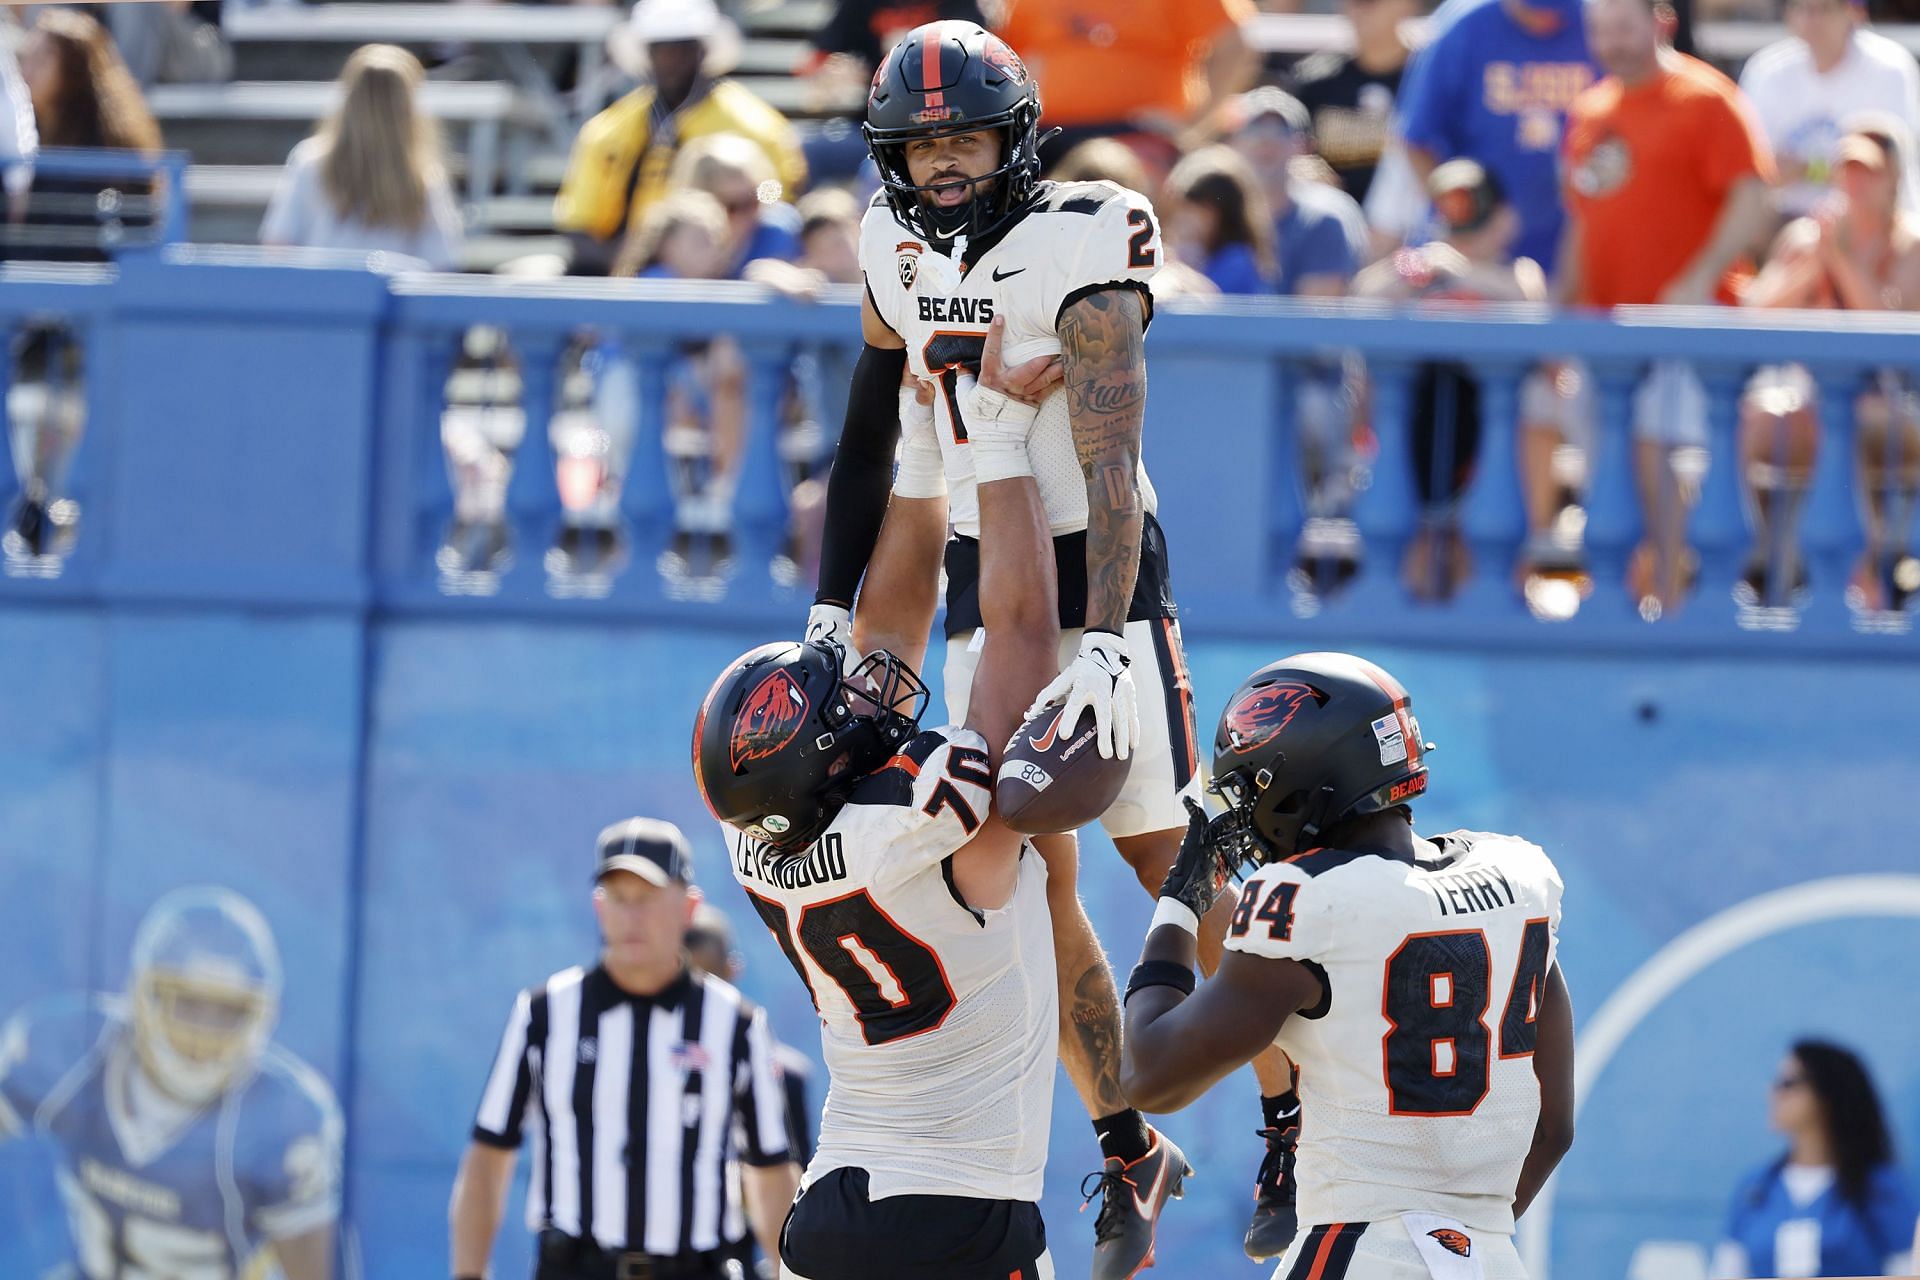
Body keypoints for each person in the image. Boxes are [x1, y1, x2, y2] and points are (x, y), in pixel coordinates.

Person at [799, 20, 1303, 1268]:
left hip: (1101, 566)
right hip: (991, 572)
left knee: (1165, 860)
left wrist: (1120, 639)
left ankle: (1292, 1111)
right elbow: (871, 445)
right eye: (923, 148)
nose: (947, 166)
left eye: (967, 136)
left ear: (1016, 136)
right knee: (1028, 871)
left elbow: (1111, 455)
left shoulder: (1087, 231)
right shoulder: (891, 244)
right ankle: (1131, 1146)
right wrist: (828, 621)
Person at [693, 300, 1066, 1277]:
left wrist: (928, 453)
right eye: (844, 705)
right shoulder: (917, 820)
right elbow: (1018, 642)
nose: (860, 693)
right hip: (956, 1213)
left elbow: (888, 635)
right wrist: (995, 441)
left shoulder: (757, 832)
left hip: (839, 1203)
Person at [1119, 651, 1577, 1280]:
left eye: (1251, 786)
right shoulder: (1520, 877)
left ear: (1302, 779)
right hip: (1490, 1258)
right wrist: (1460, 1242)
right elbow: (1554, 1127)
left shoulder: (1309, 898)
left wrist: (1180, 900)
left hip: (1355, 1250)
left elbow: (1149, 1072)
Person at [451, 818, 800, 1280]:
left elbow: (770, 1170)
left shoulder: (737, 1024)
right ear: (598, 907)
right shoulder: (543, 1014)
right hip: (576, 1268)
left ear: (689, 907)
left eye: (649, 898)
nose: (632, 916)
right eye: (619, 898)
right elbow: (489, 1156)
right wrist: (468, 1274)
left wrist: (786, 1271)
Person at [0, 887, 342, 1280]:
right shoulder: (71, 1054)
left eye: (227, 1013)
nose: (205, 1033)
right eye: (188, 1004)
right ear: (144, 995)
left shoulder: (281, 1118)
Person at [1560, 0, 1775, 615]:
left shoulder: (1706, 98)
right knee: (1614, 468)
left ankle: (1673, 604)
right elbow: (1584, 218)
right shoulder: (1590, 108)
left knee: (1660, 459)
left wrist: (1699, 277)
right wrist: (1560, 308)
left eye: (1624, 28)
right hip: (1605, 331)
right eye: (1600, 30)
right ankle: (1636, 600)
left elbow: (1752, 198)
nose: (1612, 43)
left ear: (1661, 21)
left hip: (1683, 328)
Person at [1353, 159, 1579, 604]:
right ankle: (1409, 598)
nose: (1462, 236)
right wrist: (1418, 270)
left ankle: (1513, 580)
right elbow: (1362, 296)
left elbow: (1531, 311)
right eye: (1453, 223)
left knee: (1535, 407)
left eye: (1473, 221)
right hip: (1423, 425)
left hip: (1491, 439)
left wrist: (1460, 270)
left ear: (1503, 221)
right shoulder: (1420, 269)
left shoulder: (1515, 273)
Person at [1738, 122, 1920, 611]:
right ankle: (1767, 562)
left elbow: (1885, 334)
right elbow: (1753, 316)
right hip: (1811, 398)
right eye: (1848, 172)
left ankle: (1862, 573)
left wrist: (1842, 261)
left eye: (1870, 173)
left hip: (1896, 404)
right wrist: (1812, 265)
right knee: (1756, 420)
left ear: (1895, 179)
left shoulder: (1910, 246)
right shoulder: (1806, 237)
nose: (1856, 185)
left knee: (1846, 420)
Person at [556, 0, 806, 275]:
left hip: (729, 271)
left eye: (681, 48)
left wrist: (745, 200)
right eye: (661, 49)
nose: (670, 59)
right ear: (647, 55)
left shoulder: (756, 126)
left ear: (702, 52)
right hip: (625, 269)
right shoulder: (606, 131)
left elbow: (777, 197)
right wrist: (635, 266)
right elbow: (579, 223)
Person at [1393, 0, 1597, 272]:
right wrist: (1463, 217)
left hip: (1570, 253)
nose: (1545, 17)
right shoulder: (1462, 25)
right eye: (1534, 8)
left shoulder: (1597, 19)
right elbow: (1416, 139)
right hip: (1468, 256)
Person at [1711, 1040, 1917, 1279]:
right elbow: (1728, 1271)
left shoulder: (1879, 1187)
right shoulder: (1756, 1187)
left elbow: (1906, 1267)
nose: (1773, 1093)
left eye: (1787, 1083)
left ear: (1827, 1094)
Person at [260, 44, 464, 270]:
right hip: (388, 301)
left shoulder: (310, 161)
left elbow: (278, 245)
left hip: (319, 298)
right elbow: (440, 263)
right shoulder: (425, 175)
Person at [995, 0, 1260, 173]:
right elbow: (1002, 56)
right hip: (1056, 136)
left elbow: (1236, 45)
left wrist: (1193, 126)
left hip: (1143, 139)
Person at [1738, 0, 1920, 219]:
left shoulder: (1889, 68)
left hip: (1868, 220)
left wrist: (1806, 169)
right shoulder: (1766, 70)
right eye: (1801, 8)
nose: (1811, 20)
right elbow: (1755, 168)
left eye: (1824, 9)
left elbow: (1883, 167)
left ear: (1854, 13)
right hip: (1783, 219)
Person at [10, 7, 163, 263]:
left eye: (42, 58)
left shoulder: (108, 150)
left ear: (75, 69)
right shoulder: (21, 136)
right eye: (27, 58)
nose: (27, 70)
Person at [1288, 0, 1422, 203]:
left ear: (1406, 4)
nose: (1358, 9)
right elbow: (1293, 154)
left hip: (1416, 221)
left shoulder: (1433, 80)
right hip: (1336, 223)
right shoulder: (1316, 82)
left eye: (1368, 2)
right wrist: (1304, 172)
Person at [1162, 144, 1277, 294]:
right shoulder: (1202, 254)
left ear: (1214, 213)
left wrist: (1179, 269)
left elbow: (1213, 304)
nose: (1183, 220)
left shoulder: (1237, 260)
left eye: (1191, 210)